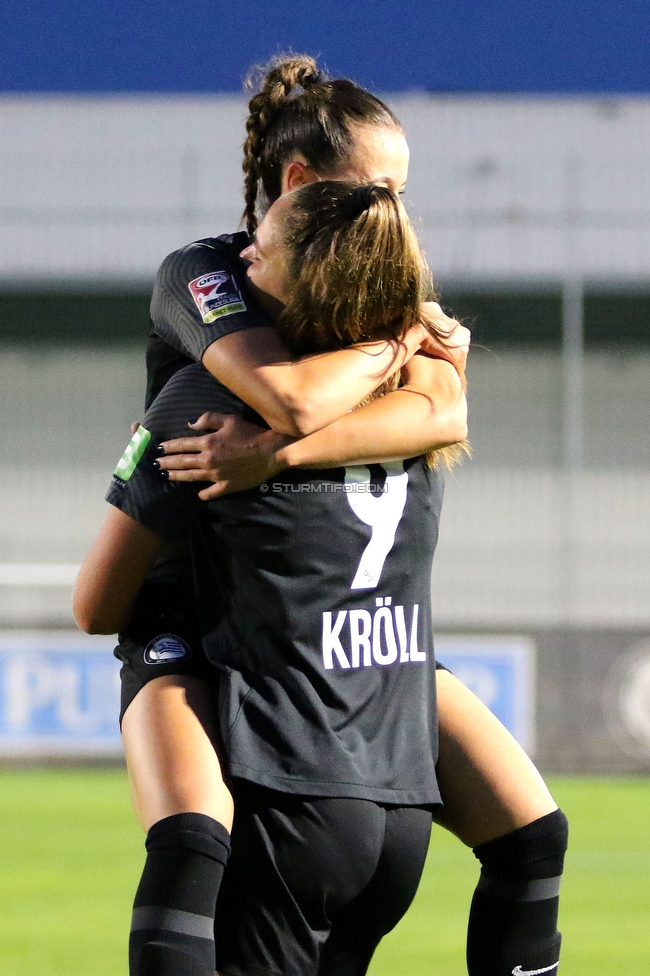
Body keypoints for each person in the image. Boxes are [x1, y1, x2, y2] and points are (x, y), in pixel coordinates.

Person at [77, 53, 567, 976]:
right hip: (207, 611)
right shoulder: (210, 273)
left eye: (405, 191)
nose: (398, 209)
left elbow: (444, 413)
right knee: (191, 840)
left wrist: (281, 451)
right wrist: (399, 349)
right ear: (300, 185)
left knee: (534, 833)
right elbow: (289, 395)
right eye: (382, 185)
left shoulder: (381, 307)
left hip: (342, 614)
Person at [76, 181, 467, 976]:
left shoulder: (202, 402)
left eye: (266, 245)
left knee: (184, 853)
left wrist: (162, 502)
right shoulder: (425, 390)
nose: (243, 248)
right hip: (401, 804)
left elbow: (96, 605)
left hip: (296, 790)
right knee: (536, 842)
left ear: (313, 281)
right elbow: (440, 402)